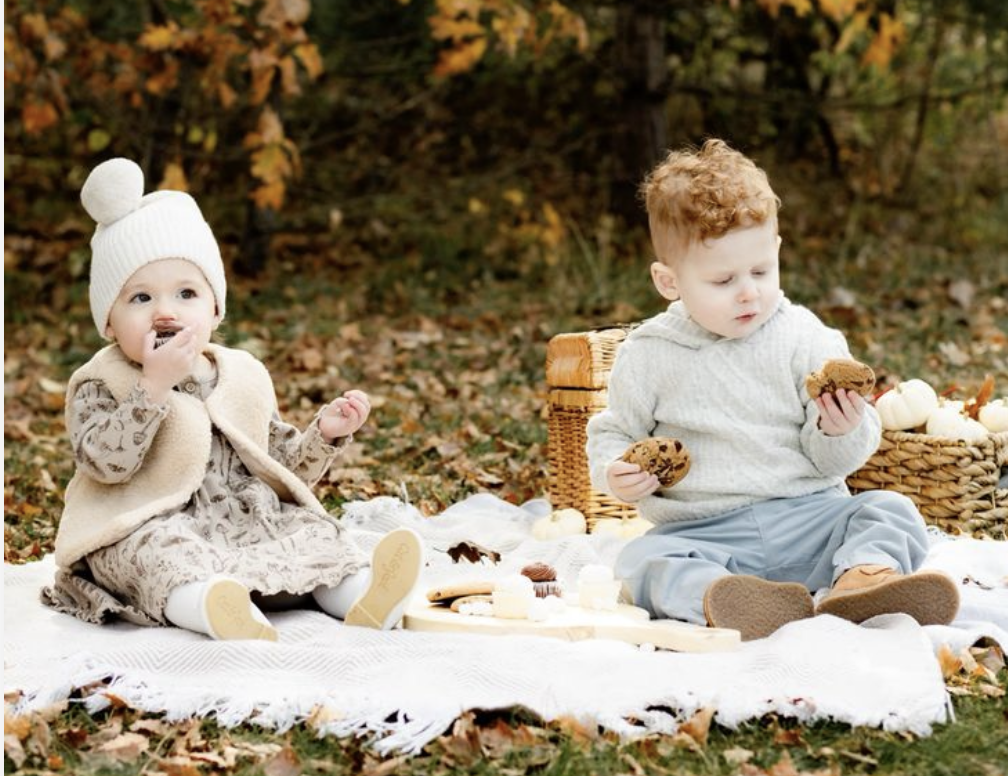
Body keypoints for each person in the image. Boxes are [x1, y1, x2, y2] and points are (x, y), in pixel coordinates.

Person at [586, 139, 959, 641]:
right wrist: (617, 473)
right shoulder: (649, 353)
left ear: (777, 251)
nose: (749, 291)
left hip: (810, 519)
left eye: (762, 271)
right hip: (706, 535)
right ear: (669, 281)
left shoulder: (806, 338)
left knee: (890, 511)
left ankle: (860, 581)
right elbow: (615, 432)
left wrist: (839, 427)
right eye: (723, 280)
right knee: (640, 560)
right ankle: (727, 596)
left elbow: (840, 460)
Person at [42, 158, 424, 641]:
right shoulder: (103, 380)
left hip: (243, 519)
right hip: (149, 520)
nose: (164, 311)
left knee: (309, 531)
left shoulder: (240, 374)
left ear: (215, 309)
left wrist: (324, 435)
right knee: (159, 554)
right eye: (140, 298)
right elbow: (103, 464)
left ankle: (363, 595)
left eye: (186, 293)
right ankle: (213, 606)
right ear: (109, 322)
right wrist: (152, 388)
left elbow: (278, 466)